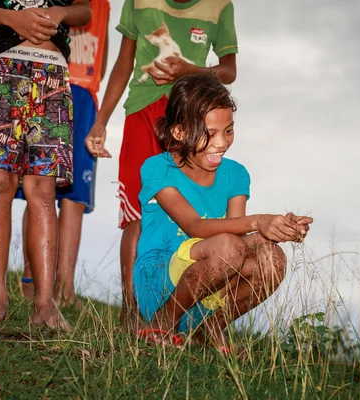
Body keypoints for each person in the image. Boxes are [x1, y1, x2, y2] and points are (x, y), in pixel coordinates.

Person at [84, 0, 239, 329]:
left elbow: (228, 71)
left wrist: (188, 71)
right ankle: (131, 312)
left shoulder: (220, 6)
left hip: (193, 121)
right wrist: (101, 121)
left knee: (189, 219)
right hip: (142, 111)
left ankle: (179, 316)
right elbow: (124, 61)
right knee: (136, 215)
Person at [132, 73, 313, 353]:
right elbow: (194, 226)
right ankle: (163, 322)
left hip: (210, 282)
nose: (221, 143)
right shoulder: (157, 169)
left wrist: (278, 229)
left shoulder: (236, 175)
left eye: (228, 130)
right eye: (210, 133)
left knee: (272, 257)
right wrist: (258, 222)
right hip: (160, 285)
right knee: (228, 247)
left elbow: (234, 233)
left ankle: (212, 328)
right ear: (179, 132)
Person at [0, 0, 91, 331]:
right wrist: (11, 18)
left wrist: (60, 14)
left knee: (43, 188)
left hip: (51, 71)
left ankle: (44, 305)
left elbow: (84, 10)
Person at [18, 0, 111, 310]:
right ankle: (30, 279)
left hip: (86, 95)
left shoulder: (103, 6)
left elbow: (102, 56)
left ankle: (65, 287)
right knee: (39, 182)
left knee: (75, 197)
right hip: (51, 80)